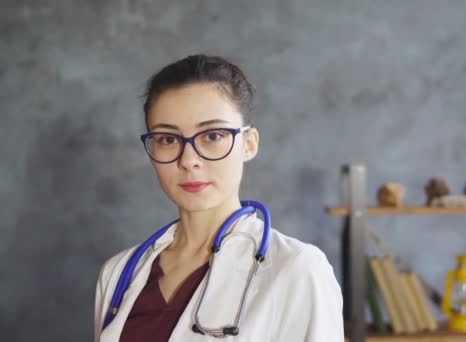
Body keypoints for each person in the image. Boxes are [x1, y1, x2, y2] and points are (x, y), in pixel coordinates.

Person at [93, 54, 344, 341]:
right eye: (167, 139)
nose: (189, 160)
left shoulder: (297, 268)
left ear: (248, 145)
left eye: (212, 136)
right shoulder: (119, 273)